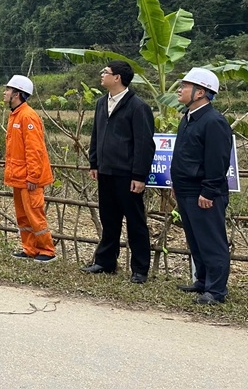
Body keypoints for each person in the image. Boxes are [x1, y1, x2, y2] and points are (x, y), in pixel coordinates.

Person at [82, 61, 156, 284]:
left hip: (127, 174)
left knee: (135, 222)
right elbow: (96, 135)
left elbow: (144, 144)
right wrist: (94, 163)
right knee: (109, 220)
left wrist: (139, 176)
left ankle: (140, 269)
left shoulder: (137, 106)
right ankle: (105, 262)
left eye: (106, 72)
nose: (102, 75)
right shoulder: (101, 103)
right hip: (105, 171)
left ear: (118, 78)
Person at [171, 68, 233, 305]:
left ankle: (216, 291)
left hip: (204, 192)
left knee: (211, 240)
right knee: (195, 239)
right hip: (186, 188)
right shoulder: (187, 118)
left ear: (201, 93)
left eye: (185, 86)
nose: (180, 89)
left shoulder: (214, 121)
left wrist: (208, 190)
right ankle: (202, 281)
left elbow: (218, 160)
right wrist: (177, 183)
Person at [3, 75, 56, 262]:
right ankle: (29, 248)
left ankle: (47, 250)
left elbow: (35, 150)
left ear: (17, 94)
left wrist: (33, 177)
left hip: (29, 178)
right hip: (18, 176)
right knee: (23, 217)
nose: (4, 93)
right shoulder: (15, 115)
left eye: (8, 90)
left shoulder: (27, 116)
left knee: (35, 215)